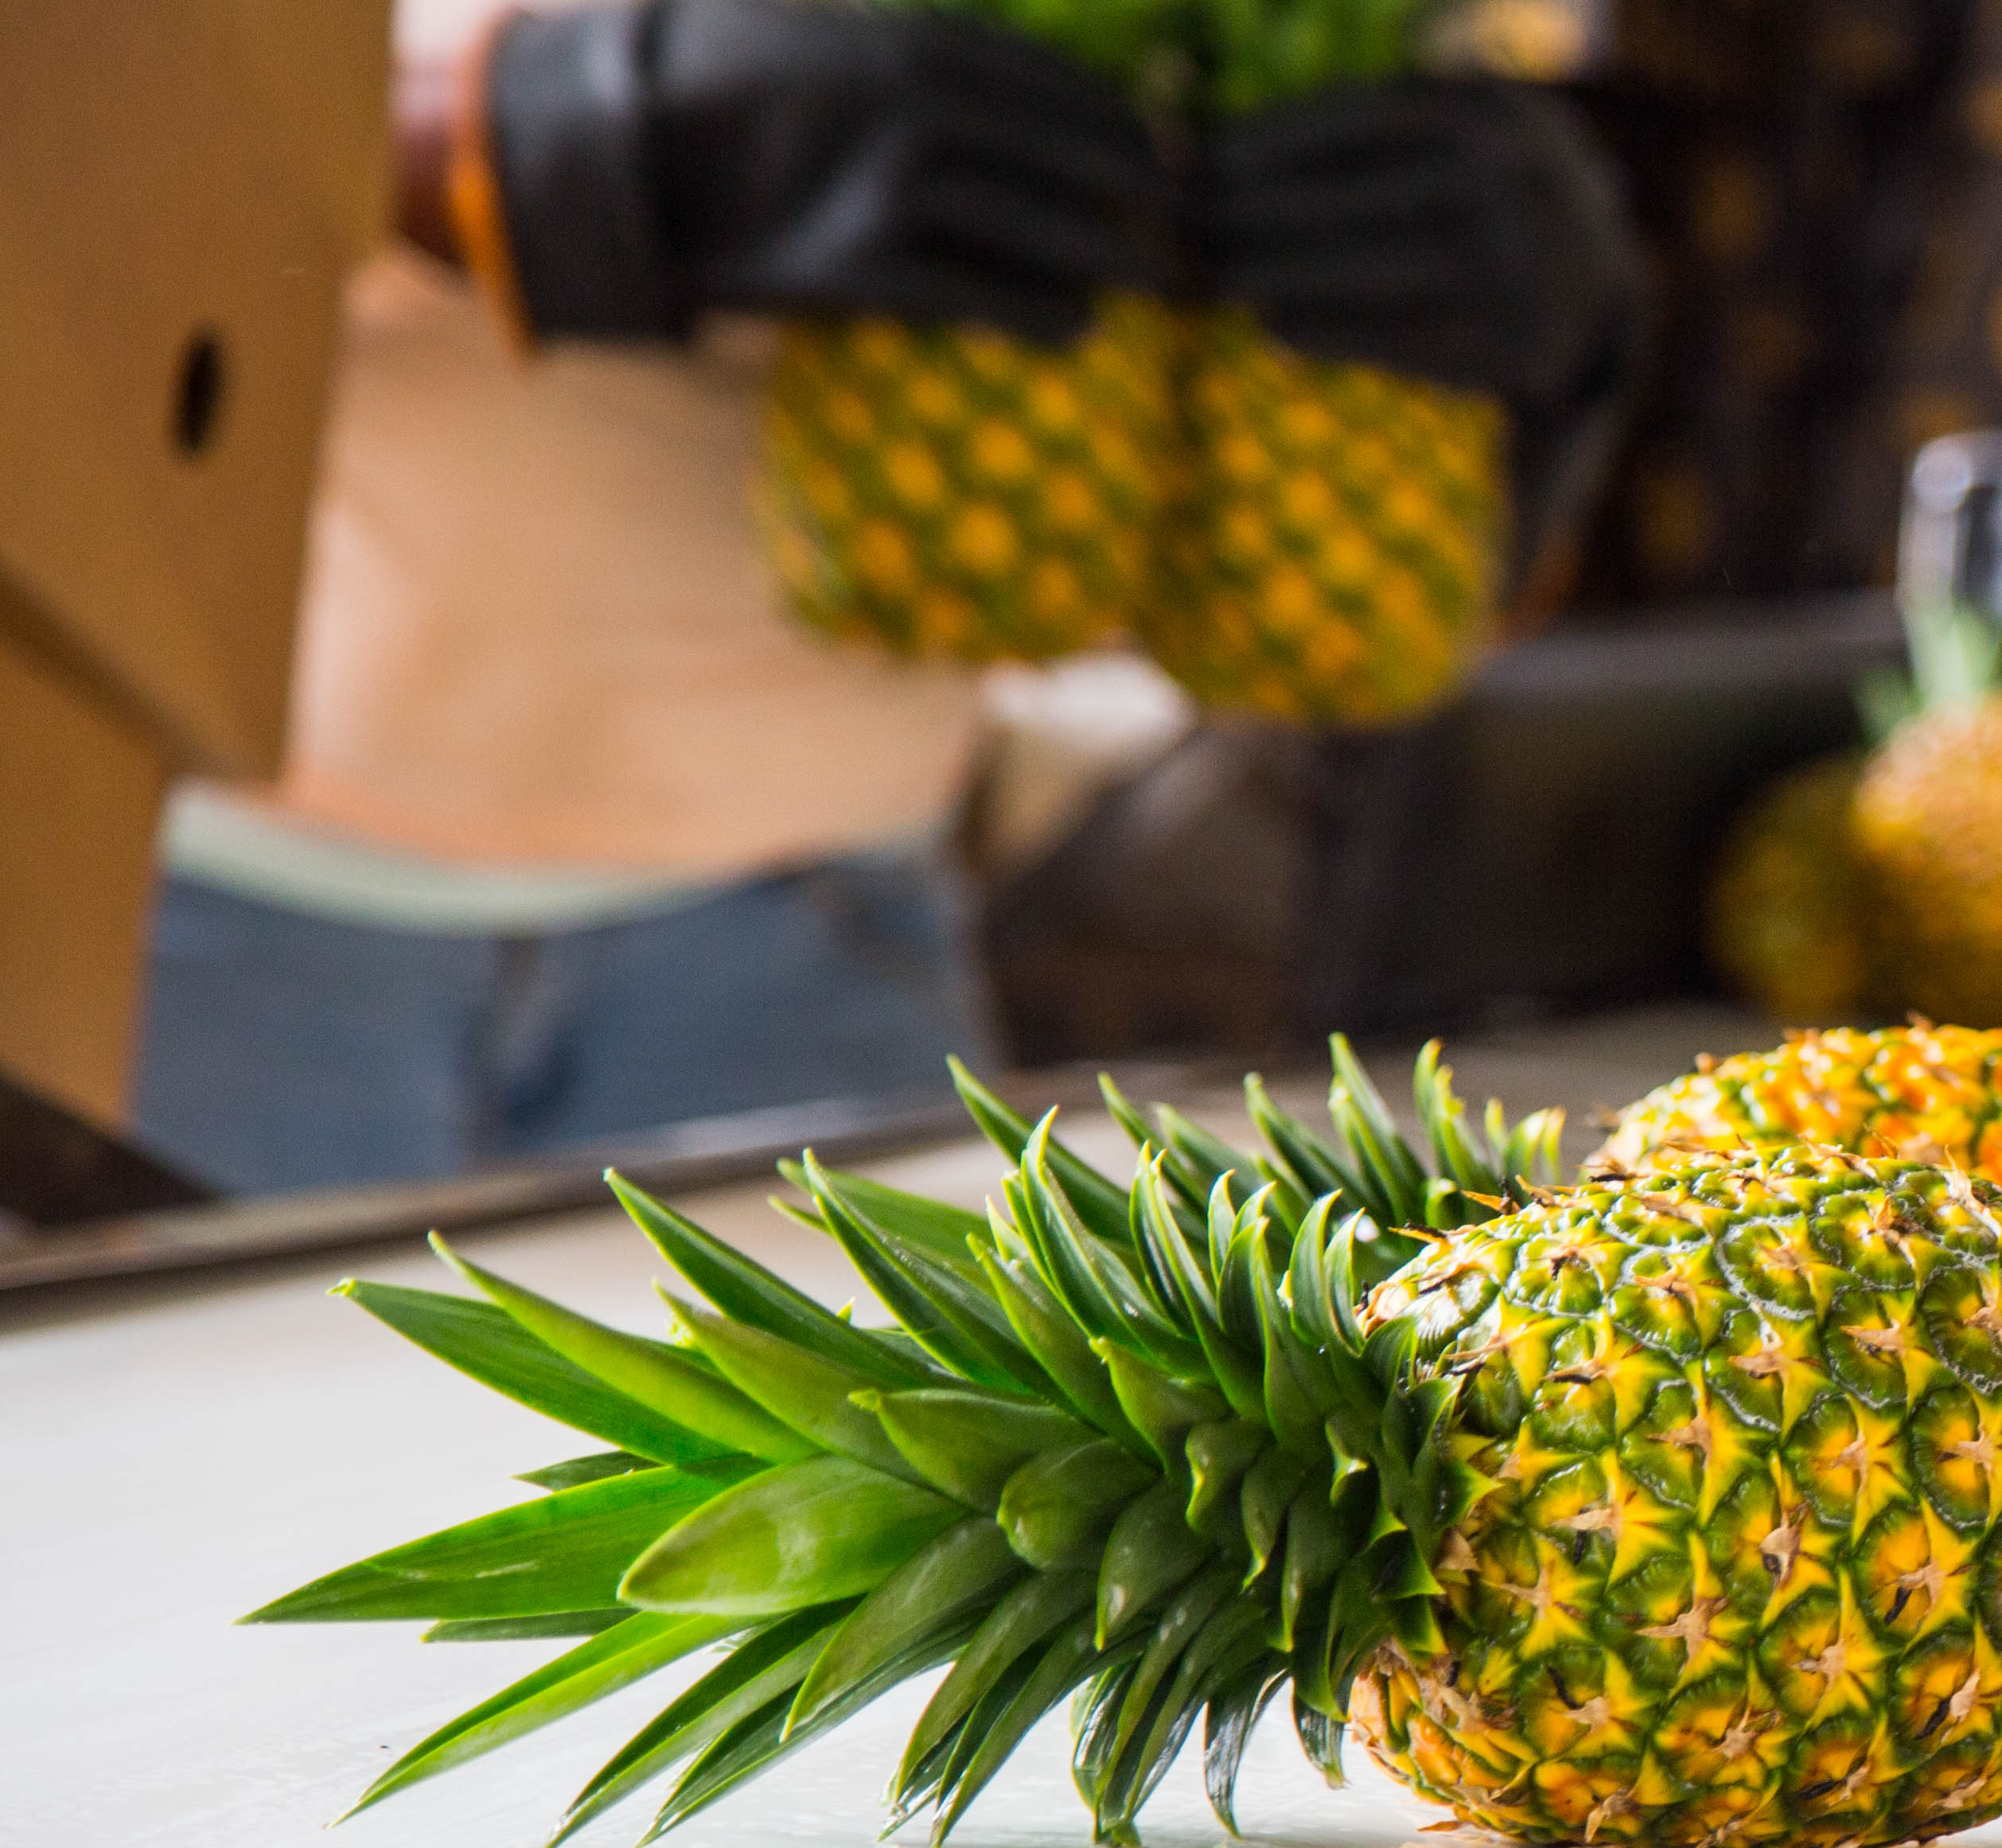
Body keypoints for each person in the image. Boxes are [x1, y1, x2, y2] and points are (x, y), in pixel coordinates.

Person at [136, 0, 1638, 1195]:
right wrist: (513, 130)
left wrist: (1526, 337)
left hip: (830, 921)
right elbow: (88, 146)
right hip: (224, 908)